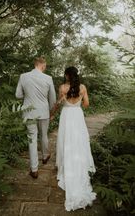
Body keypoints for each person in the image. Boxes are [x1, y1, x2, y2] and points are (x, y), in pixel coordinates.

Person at [51, 66, 96, 211]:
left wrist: (61, 101)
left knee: (65, 141)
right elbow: (86, 105)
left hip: (66, 116)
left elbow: (57, 105)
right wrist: (79, 100)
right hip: (77, 116)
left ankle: (65, 167)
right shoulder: (82, 87)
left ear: (67, 76)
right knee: (78, 141)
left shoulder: (62, 87)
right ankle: (78, 164)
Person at [15, 57, 56, 179]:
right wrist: (52, 112)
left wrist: (27, 96)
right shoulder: (48, 78)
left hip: (29, 112)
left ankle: (34, 169)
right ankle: (44, 156)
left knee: (32, 139)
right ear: (42, 66)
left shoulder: (23, 76)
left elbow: (18, 95)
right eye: (45, 66)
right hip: (43, 112)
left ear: (35, 64)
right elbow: (53, 99)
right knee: (43, 135)